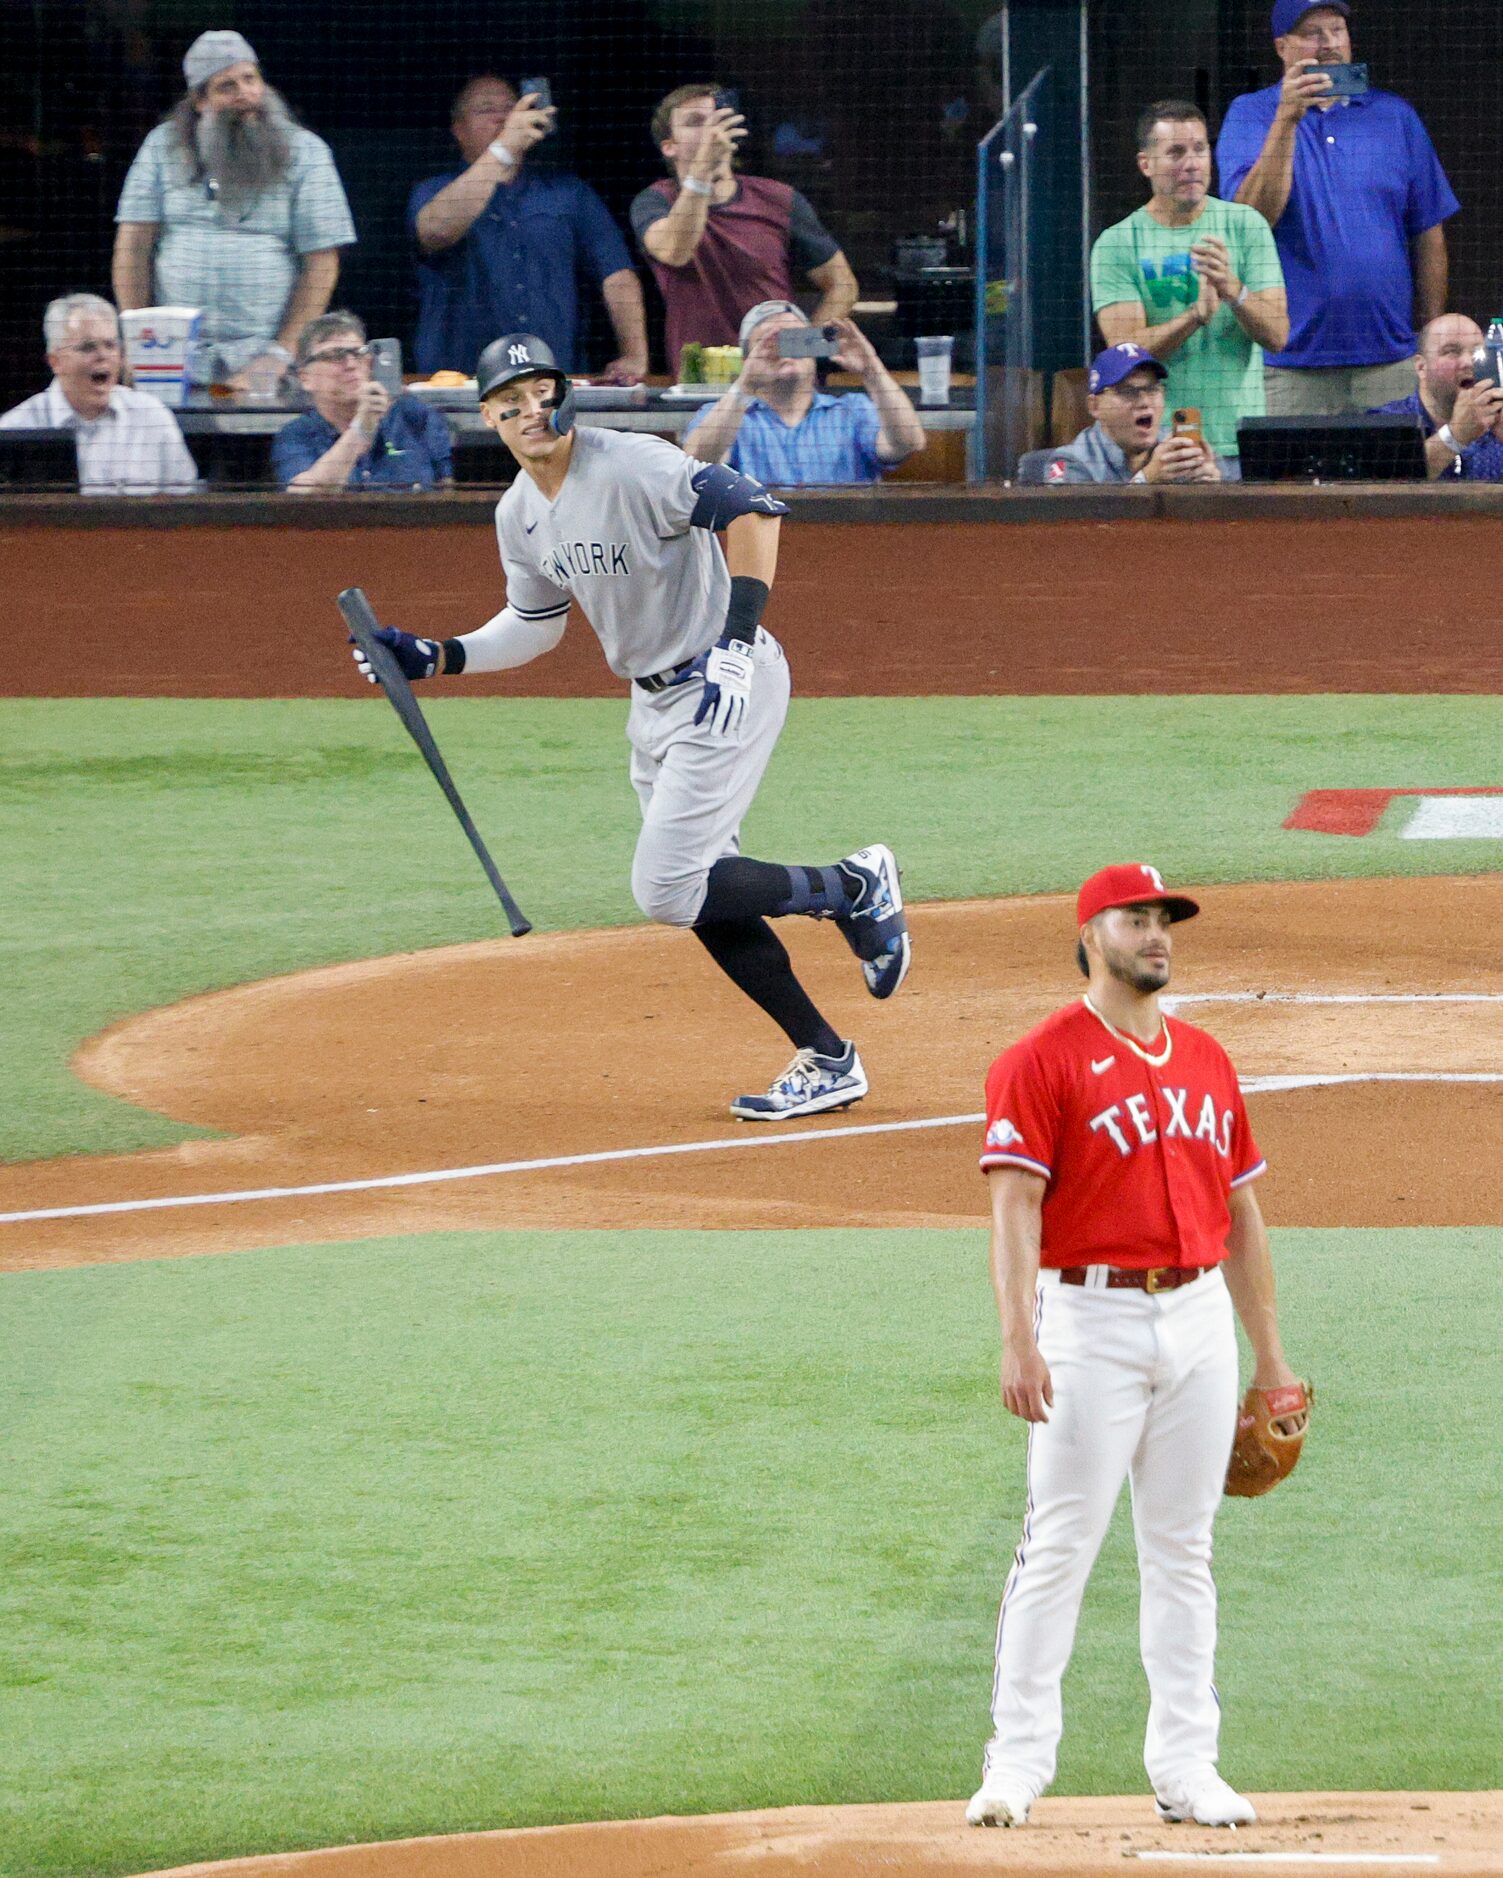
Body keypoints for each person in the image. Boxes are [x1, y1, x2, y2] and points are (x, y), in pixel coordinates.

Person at [350, 333, 911, 1119]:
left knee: (666, 885)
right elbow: (534, 623)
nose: (530, 412)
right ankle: (827, 1057)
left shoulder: (632, 463)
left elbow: (755, 511)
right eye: (509, 404)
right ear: (488, 418)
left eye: (541, 394)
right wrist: (438, 656)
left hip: (722, 682)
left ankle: (852, 886)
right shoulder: (519, 514)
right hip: (654, 705)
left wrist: (736, 644)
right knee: (702, 892)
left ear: (566, 393)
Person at [966, 864, 1304, 1832]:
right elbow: (1013, 1210)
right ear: (1089, 934)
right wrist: (1020, 1338)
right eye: (1136, 918)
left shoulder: (1206, 1057)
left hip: (1198, 1321)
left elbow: (1242, 1215)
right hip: (1088, 1321)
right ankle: (1018, 1764)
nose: (1157, 934)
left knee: (1183, 1549)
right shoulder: (1041, 1060)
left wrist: (1271, 1358)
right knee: (1061, 1543)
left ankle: (1187, 1766)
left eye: (1164, 920)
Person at [1216, 1, 1458, 417]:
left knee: (1396, 481)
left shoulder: (1395, 116)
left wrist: (1430, 335)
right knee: (1281, 482)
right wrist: (1286, 119)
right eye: (1313, 33)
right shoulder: (1250, 114)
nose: (1329, 44)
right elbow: (1250, 222)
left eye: (1338, 30)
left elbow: (1429, 235)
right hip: (1288, 365)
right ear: (1281, 47)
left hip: (1389, 360)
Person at [112, 31, 355, 395]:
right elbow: (132, 248)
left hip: (266, 359)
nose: (246, 94)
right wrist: (137, 346)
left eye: (251, 79)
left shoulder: (307, 153)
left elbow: (322, 263)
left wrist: (279, 355)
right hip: (169, 355)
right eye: (228, 86)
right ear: (199, 100)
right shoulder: (161, 147)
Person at [408, 75, 647, 381]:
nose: (504, 117)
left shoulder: (569, 193)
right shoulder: (432, 191)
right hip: (459, 382)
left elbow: (617, 274)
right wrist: (503, 148)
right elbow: (436, 230)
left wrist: (634, 355)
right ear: (459, 131)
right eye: (485, 110)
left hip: (551, 381)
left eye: (512, 108)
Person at [1092, 101, 1287, 463]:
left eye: (1200, 149)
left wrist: (1234, 290)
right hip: (1159, 445)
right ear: (1145, 164)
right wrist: (1194, 317)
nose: (1192, 164)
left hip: (1239, 441)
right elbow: (1126, 356)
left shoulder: (1247, 226)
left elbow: (1278, 335)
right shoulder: (1117, 243)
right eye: (1176, 153)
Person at [631, 85, 857, 376]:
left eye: (718, 119)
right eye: (695, 122)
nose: (712, 129)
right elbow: (675, 251)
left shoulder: (779, 199)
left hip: (780, 385)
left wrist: (802, 349)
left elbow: (843, 284)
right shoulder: (654, 201)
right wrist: (702, 172)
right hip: (701, 384)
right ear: (669, 146)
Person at [682, 301, 924, 485]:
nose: (784, 352)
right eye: (769, 345)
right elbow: (695, 464)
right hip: (758, 543)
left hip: (844, 540)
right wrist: (745, 385)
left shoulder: (852, 411)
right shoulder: (726, 415)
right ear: (748, 359)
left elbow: (909, 442)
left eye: (795, 340)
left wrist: (872, 370)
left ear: (814, 350)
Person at [1, 292, 197, 494]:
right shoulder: (15, 429)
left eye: (111, 345)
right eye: (88, 347)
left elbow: (188, 509)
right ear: (55, 361)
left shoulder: (152, 417)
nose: (103, 356)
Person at [272, 312, 454, 492]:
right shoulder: (296, 435)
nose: (351, 364)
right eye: (335, 356)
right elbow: (303, 497)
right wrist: (361, 429)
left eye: (358, 353)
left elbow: (448, 490)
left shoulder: (415, 417)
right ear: (305, 378)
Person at [1019, 346, 1225, 485]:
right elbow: (1079, 538)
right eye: (1128, 392)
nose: (1145, 402)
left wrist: (1211, 490)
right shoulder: (1071, 463)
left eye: (1153, 389)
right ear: (1095, 406)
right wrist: (1146, 480)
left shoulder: (1178, 451)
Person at [1368, 313, 1503, 481]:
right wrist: (1454, 436)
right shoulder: (1388, 422)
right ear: (1421, 367)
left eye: (1477, 352)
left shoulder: (1495, 425)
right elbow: (1379, 489)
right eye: (1452, 352)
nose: (1468, 362)